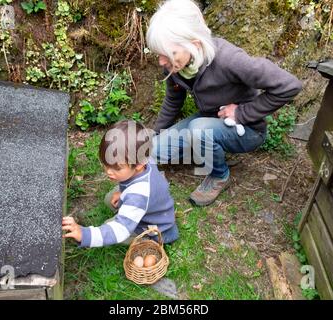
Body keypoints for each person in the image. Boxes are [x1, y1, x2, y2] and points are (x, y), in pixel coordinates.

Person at [146, 0, 302, 206]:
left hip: (247, 129)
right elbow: (173, 100)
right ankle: (202, 146)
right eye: (159, 54)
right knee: (154, 151)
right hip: (209, 120)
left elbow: (290, 85)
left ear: (194, 44)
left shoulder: (229, 59)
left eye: (167, 54)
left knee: (198, 129)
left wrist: (242, 113)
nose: (161, 62)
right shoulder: (175, 66)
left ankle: (219, 175)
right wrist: (158, 132)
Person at [62, 120, 179, 247]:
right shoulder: (144, 159)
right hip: (156, 209)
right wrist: (123, 192)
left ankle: (150, 241)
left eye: (117, 168)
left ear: (139, 164)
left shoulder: (138, 195)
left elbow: (119, 231)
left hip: (156, 229)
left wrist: (84, 234)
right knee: (109, 199)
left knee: (110, 226)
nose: (108, 172)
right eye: (105, 164)